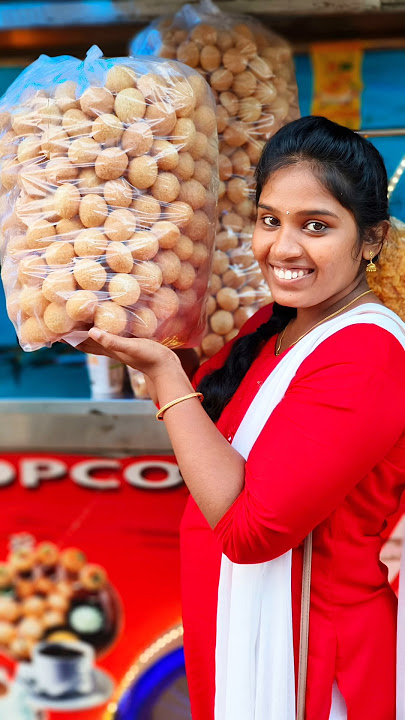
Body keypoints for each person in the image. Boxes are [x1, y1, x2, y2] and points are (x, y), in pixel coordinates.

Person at [78, 116, 405, 720]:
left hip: (311, 662)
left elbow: (250, 533)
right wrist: (137, 337)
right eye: (269, 219)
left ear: (372, 239)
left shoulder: (369, 355)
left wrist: (165, 375)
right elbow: (209, 431)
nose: (282, 247)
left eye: (316, 226)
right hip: (238, 631)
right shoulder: (276, 324)